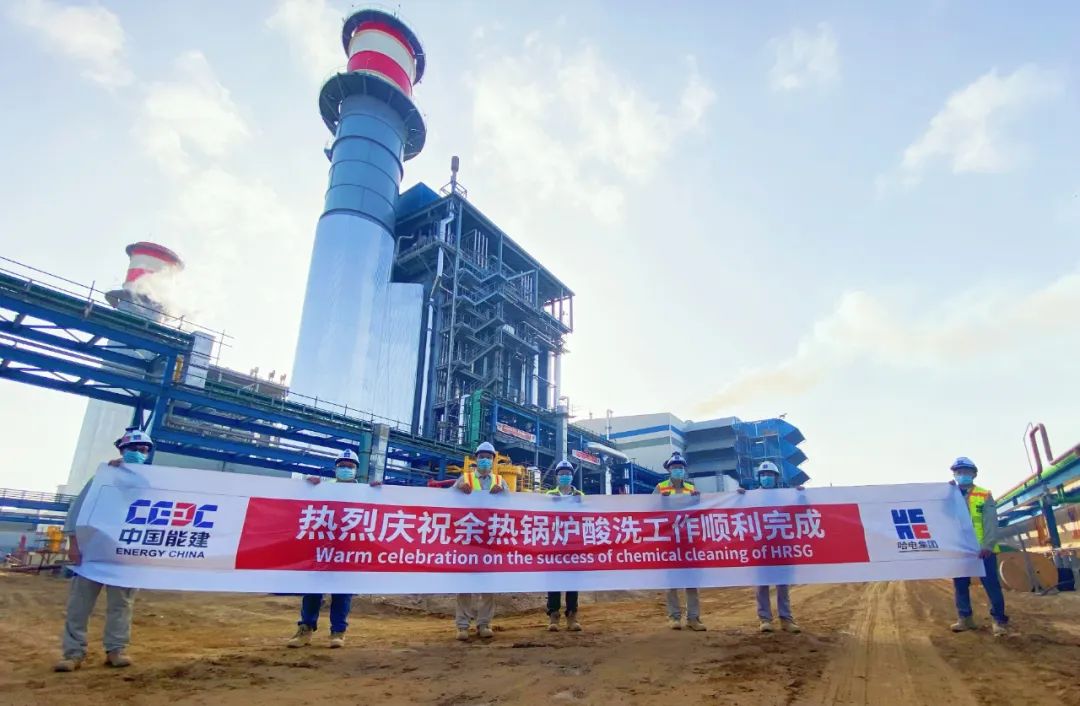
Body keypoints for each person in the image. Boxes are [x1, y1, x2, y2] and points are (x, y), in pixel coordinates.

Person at [54, 428, 149, 672]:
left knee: (121, 605)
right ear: (122, 451)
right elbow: (77, 511)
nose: (140, 453)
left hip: (125, 554)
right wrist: (74, 545)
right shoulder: (102, 478)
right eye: (135, 449)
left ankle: (116, 650)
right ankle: (73, 653)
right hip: (92, 552)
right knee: (80, 605)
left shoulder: (150, 481)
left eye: (144, 449)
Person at [287, 449, 379, 649]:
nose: (346, 469)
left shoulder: (364, 491)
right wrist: (308, 487)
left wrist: (378, 492)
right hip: (322, 547)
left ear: (356, 469)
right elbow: (304, 506)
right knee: (312, 590)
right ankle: (305, 629)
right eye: (342, 466)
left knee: (342, 592)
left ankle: (338, 631)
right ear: (336, 468)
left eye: (350, 466)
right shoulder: (324, 487)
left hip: (347, 548)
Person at [738, 461, 804, 634]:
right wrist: (739, 497)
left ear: (776, 478)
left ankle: (786, 619)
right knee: (762, 585)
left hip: (782, 547)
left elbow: (802, 511)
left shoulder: (785, 496)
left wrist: (801, 495)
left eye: (770, 475)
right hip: (760, 547)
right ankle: (765, 619)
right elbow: (738, 514)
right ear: (759, 477)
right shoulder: (751, 497)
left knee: (782, 585)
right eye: (763, 475)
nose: (766, 478)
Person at [453, 441, 508, 641]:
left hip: (490, 539)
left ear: (493, 460)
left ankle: (484, 624)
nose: (485, 460)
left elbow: (514, 509)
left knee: (487, 586)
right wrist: (458, 488)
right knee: (464, 585)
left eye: (488, 457)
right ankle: (462, 626)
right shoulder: (464, 478)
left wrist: (504, 495)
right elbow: (445, 502)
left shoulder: (500, 481)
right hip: (468, 539)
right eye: (481, 457)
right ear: (476, 459)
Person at [948, 456, 1008, 637]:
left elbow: (991, 522)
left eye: (966, 472)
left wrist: (988, 545)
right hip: (961, 549)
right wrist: (944, 492)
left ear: (974, 474)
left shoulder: (984, 495)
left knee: (991, 586)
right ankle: (965, 619)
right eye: (958, 472)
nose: (962, 475)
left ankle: (999, 621)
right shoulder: (949, 496)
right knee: (960, 585)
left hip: (983, 550)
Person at [654, 452, 705, 632]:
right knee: (672, 581)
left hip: (688, 540)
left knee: (692, 582)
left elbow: (699, 512)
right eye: (675, 468)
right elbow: (650, 510)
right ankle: (674, 617)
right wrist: (661, 502)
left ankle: (693, 618)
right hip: (669, 541)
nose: (678, 470)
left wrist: (698, 500)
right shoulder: (660, 488)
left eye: (680, 468)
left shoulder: (691, 488)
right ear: (669, 470)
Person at [545, 459, 584, 632]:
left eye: (568, 474)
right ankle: (553, 616)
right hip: (554, 544)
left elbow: (588, 517)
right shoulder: (549, 495)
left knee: (572, 582)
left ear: (572, 476)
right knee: (554, 581)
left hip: (573, 544)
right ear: (556, 477)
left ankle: (572, 616)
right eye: (562, 474)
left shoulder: (580, 495)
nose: (565, 477)